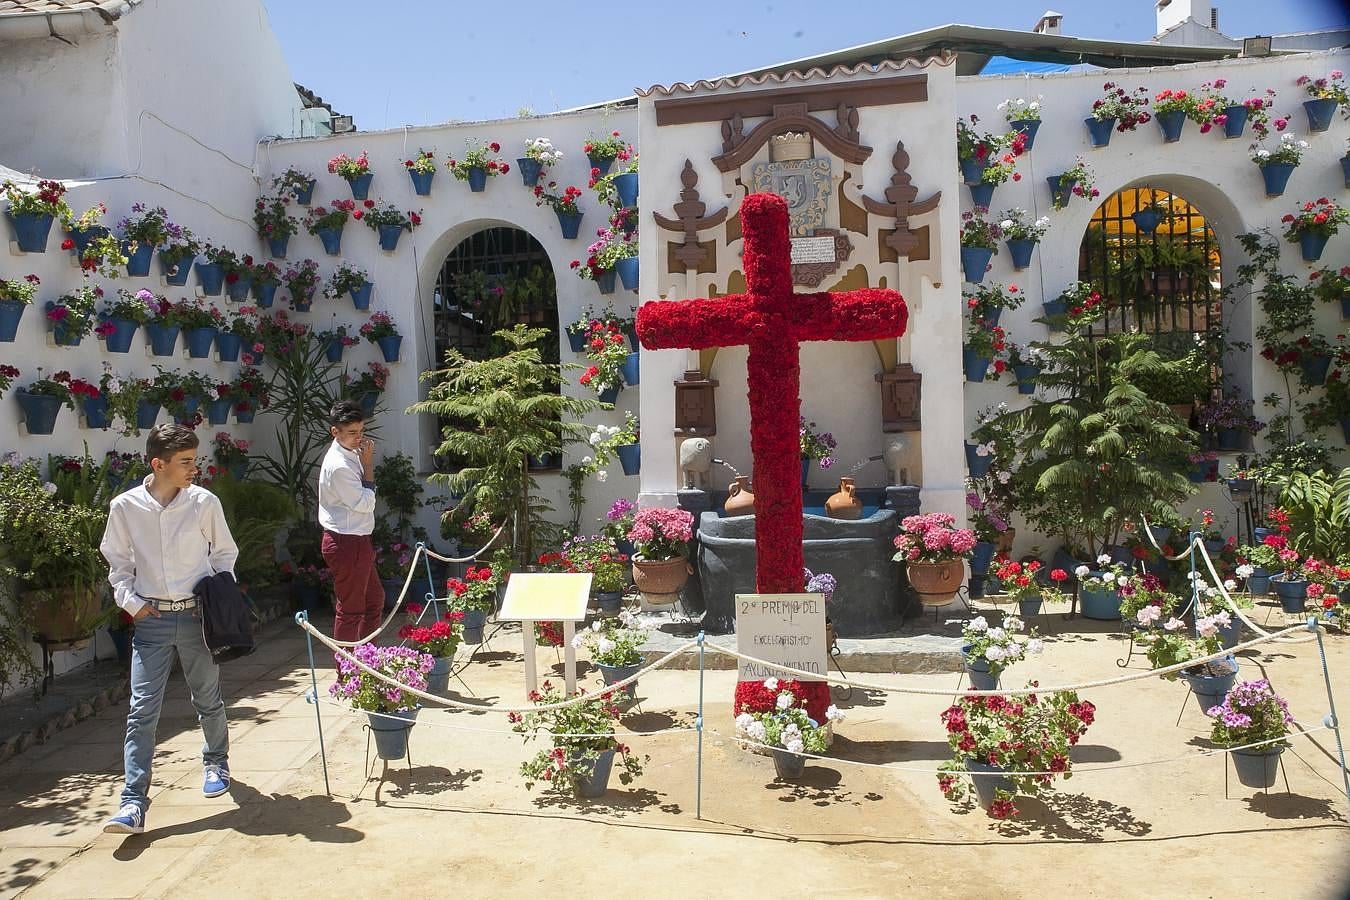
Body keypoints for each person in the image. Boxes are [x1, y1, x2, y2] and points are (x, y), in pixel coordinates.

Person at [101, 424, 239, 835]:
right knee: (142, 710)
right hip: (152, 622)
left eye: (194, 460)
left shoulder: (204, 503)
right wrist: (132, 604)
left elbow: (225, 553)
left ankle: (216, 761)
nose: (194, 469)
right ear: (157, 464)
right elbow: (117, 564)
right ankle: (132, 803)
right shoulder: (124, 507)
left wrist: (217, 596)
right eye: (185, 462)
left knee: (207, 697)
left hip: (198, 618)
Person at [318, 399, 382, 643]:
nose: (359, 438)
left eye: (361, 431)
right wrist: (368, 467)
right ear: (335, 432)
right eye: (352, 433)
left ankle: (368, 661)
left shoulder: (348, 453)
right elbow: (366, 503)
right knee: (351, 611)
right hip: (346, 542)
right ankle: (348, 674)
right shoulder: (339, 465)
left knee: (374, 600)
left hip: (357, 540)